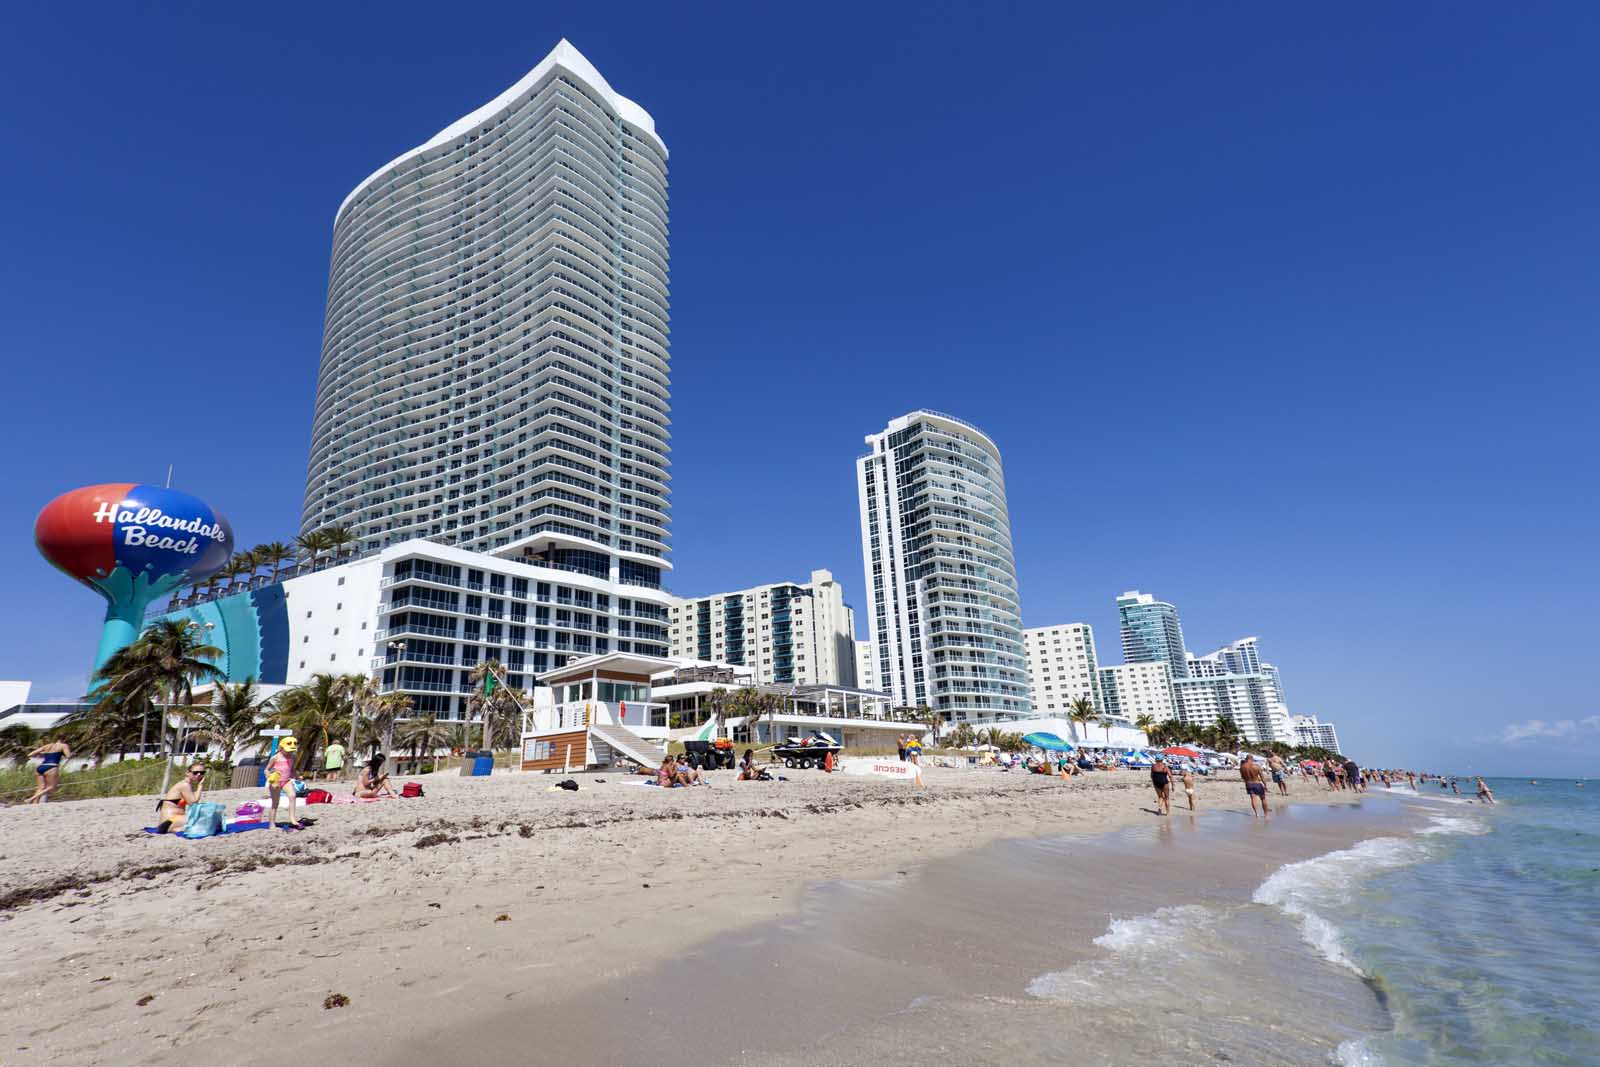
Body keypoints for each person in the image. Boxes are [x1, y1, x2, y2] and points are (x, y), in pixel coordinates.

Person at [155, 763, 207, 834]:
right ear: (187, 773)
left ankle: (177, 829)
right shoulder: (184, 785)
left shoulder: (186, 784)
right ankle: (177, 828)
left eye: (202, 773)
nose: (199, 775)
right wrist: (200, 785)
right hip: (169, 821)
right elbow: (193, 803)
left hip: (170, 822)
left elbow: (193, 801)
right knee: (204, 819)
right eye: (195, 773)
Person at [266, 737, 300, 829]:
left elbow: (292, 769)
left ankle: (293, 819)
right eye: (288, 750)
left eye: (291, 750)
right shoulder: (275, 757)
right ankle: (272, 823)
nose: (289, 752)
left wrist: (297, 776)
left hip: (286, 781)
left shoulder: (292, 757)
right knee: (275, 803)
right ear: (281, 747)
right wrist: (271, 780)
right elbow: (266, 770)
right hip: (276, 781)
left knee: (292, 796)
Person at [25, 738, 71, 804]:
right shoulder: (63, 745)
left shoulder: (47, 746)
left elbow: (30, 754)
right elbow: (68, 756)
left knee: (41, 787)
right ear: (64, 739)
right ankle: (30, 799)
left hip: (41, 766)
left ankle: (34, 804)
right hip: (52, 766)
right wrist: (68, 754)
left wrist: (44, 753)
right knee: (52, 786)